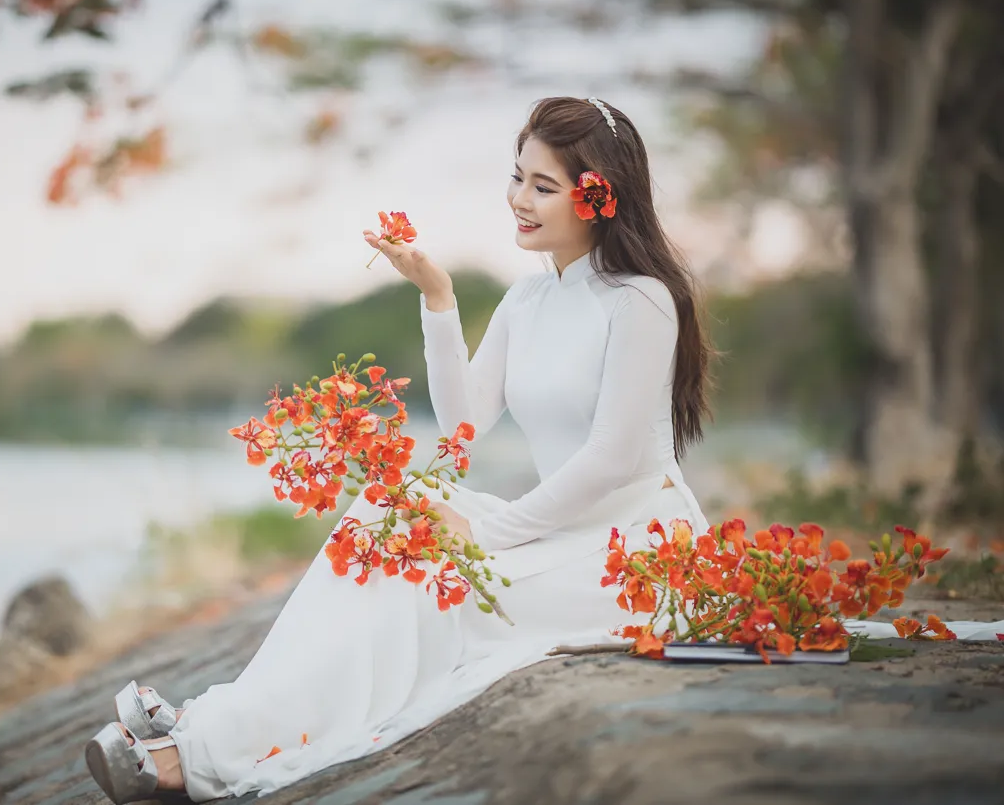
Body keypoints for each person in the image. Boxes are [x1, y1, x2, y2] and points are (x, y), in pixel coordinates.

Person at [85, 94, 715, 801]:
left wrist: (485, 532)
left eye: (544, 186)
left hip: (638, 553)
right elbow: (464, 428)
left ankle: (196, 755)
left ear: (600, 197)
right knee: (389, 510)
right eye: (517, 178)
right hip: (558, 534)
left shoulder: (642, 300)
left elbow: (615, 458)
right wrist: (438, 300)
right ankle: (218, 724)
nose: (519, 199)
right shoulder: (527, 301)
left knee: (431, 596)